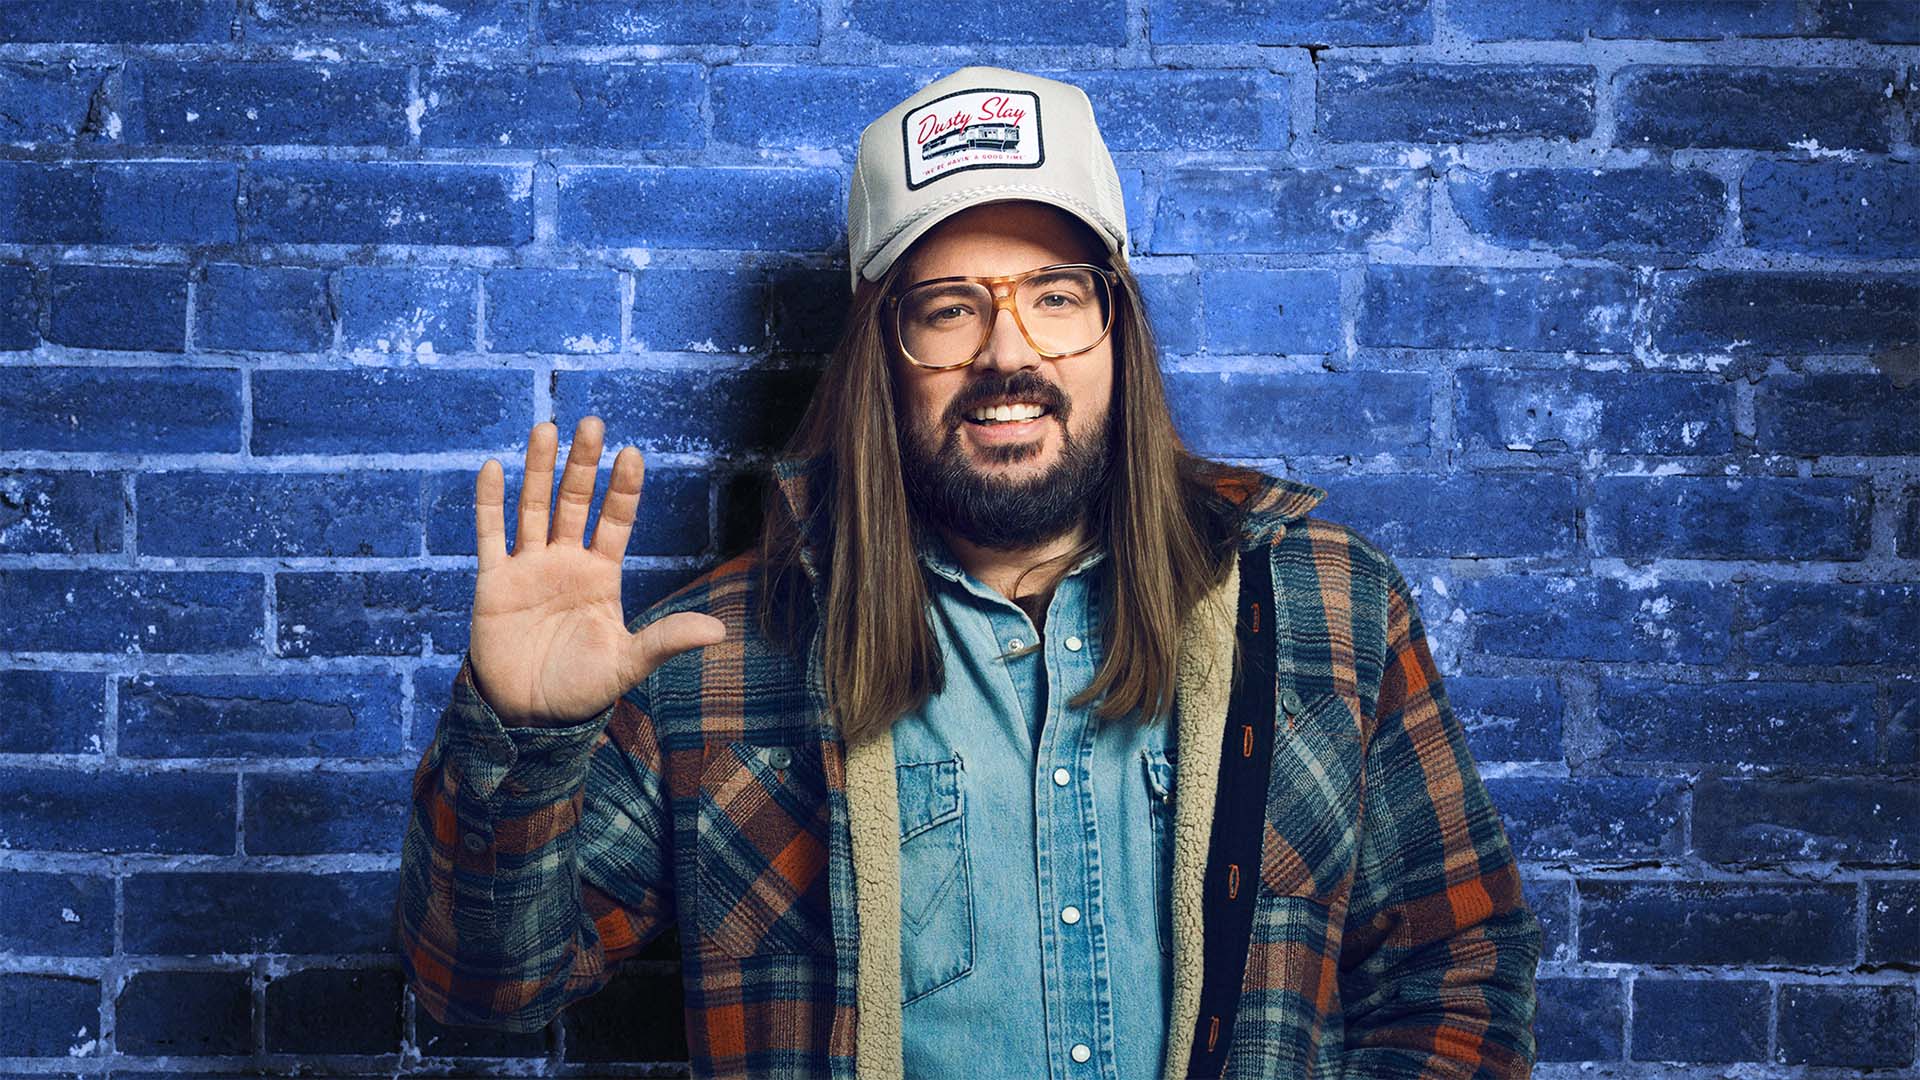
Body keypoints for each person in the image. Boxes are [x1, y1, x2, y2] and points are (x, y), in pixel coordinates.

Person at [396, 65, 1541, 1079]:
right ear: (878, 361)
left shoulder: (1324, 607)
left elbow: (1459, 972)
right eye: (947, 311)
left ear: (1117, 328)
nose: (1008, 353)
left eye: (1055, 295)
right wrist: (523, 736)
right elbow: (484, 993)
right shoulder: (711, 662)